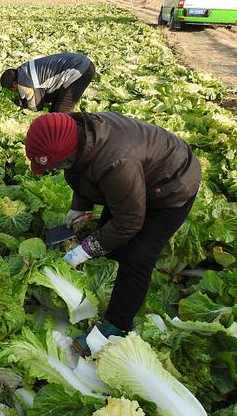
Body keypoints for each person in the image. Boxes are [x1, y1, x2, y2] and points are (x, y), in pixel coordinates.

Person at [24, 112, 201, 356]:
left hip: (172, 185)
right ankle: (108, 283)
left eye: (55, 165)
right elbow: (80, 170)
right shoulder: (78, 136)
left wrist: (85, 250)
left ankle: (114, 327)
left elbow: (129, 221)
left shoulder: (116, 162)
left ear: (67, 154)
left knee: (138, 256)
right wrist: (81, 205)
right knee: (111, 237)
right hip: (136, 179)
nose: (55, 170)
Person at [0, 53, 95, 113]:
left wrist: (25, 110)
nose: (15, 91)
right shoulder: (24, 69)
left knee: (60, 112)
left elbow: (35, 108)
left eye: (12, 90)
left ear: (15, 84)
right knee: (54, 103)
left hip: (80, 70)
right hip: (80, 62)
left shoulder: (26, 83)